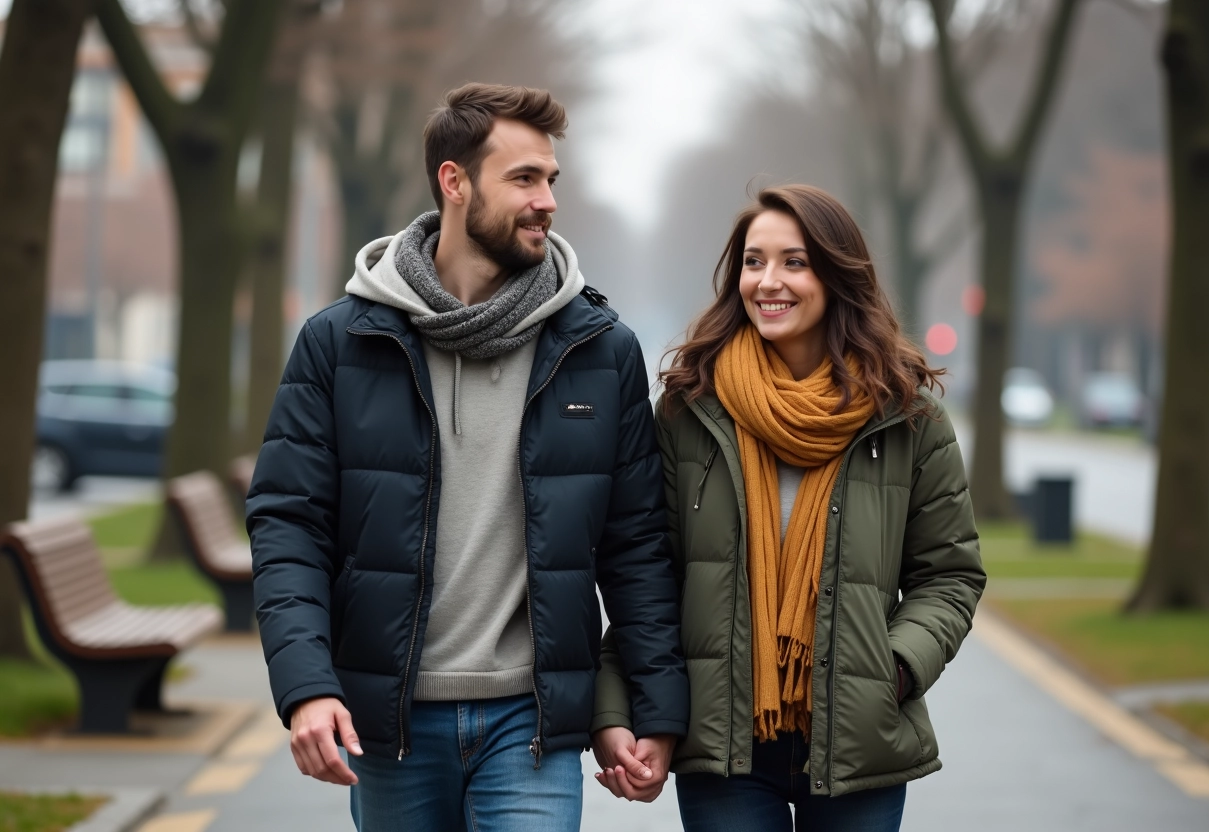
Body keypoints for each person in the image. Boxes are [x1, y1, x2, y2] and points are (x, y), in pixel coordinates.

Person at [247, 83, 688, 831]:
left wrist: (652, 709)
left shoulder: (599, 350)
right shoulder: (340, 343)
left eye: (551, 179)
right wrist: (306, 687)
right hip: (391, 726)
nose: (547, 199)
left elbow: (637, 544)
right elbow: (289, 524)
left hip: (533, 724)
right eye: (524, 179)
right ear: (455, 182)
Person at [590, 184, 985, 831]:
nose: (768, 281)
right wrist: (616, 708)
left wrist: (896, 670)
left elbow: (950, 574)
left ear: (837, 274)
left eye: (794, 262)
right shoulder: (691, 410)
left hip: (859, 741)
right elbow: (646, 576)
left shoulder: (908, 417)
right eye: (753, 261)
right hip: (725, 751)